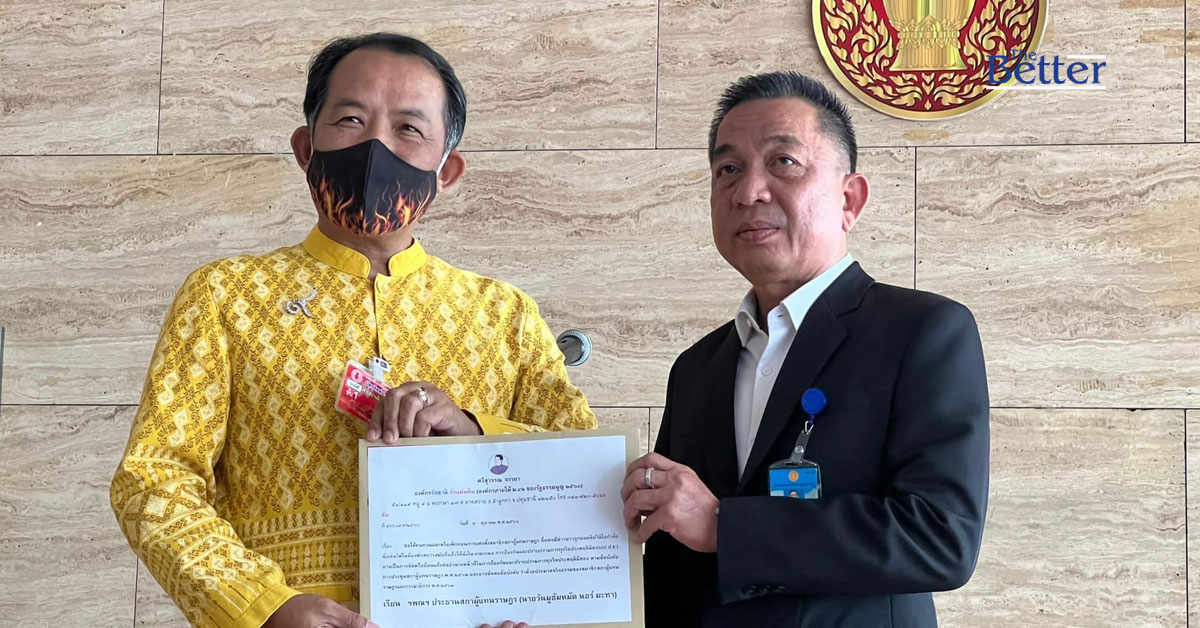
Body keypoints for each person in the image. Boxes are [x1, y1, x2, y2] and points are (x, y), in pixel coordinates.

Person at [111, 32, 593, 628]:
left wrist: (473, 430)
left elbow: (581, 477)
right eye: (350, 120)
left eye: (408, 128)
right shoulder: (225, 296)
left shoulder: (504, 314)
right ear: (305, 148)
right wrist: (264, 606)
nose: (375, 147)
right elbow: (154, 479)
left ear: (447, 171)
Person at [621, 71, 989, 627]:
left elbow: (940, 537)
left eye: (783, 162)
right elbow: (678, 558)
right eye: (728, 170)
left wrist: (724, 525)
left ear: (849, 199)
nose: (748, 191)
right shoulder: (697, 367)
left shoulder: (923, 332)